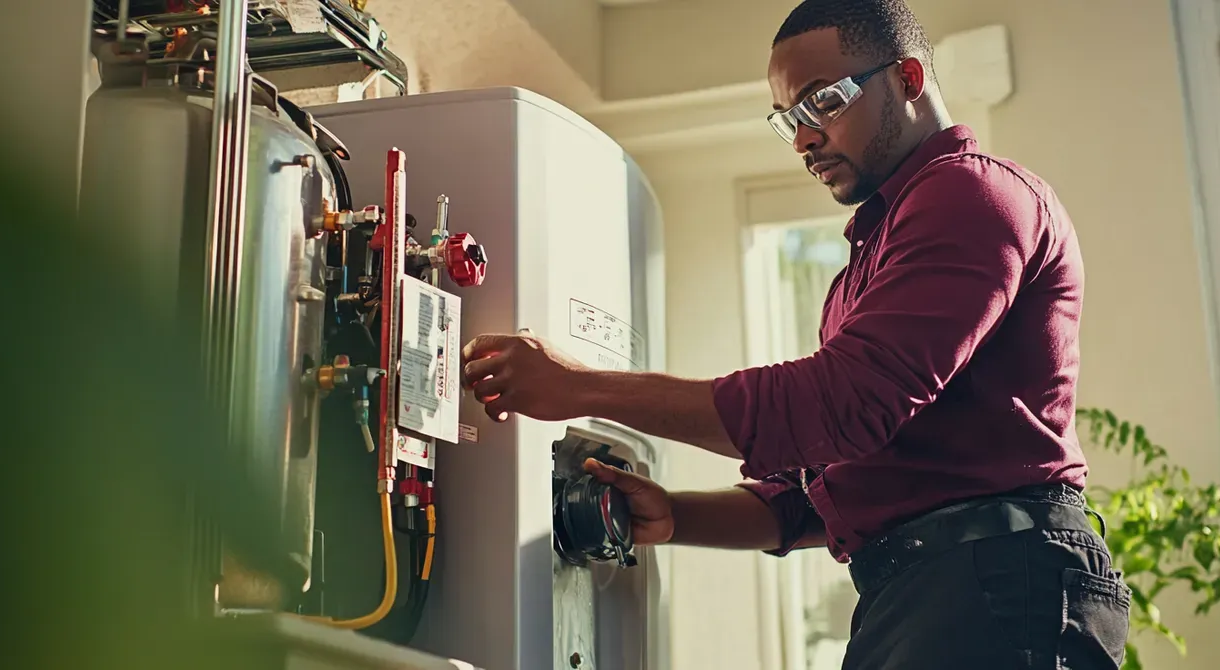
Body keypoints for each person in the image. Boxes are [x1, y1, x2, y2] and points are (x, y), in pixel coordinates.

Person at [460, 0, 1130, 667]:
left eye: (823, 103)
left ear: (908, 78)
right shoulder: (865, 264)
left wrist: (579, 387)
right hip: (926, 589)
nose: (804, 139)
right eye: (789, 119)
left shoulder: (971, 195)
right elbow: (825, 486)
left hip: (994, 585)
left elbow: (841, 405)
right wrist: (674, 514)